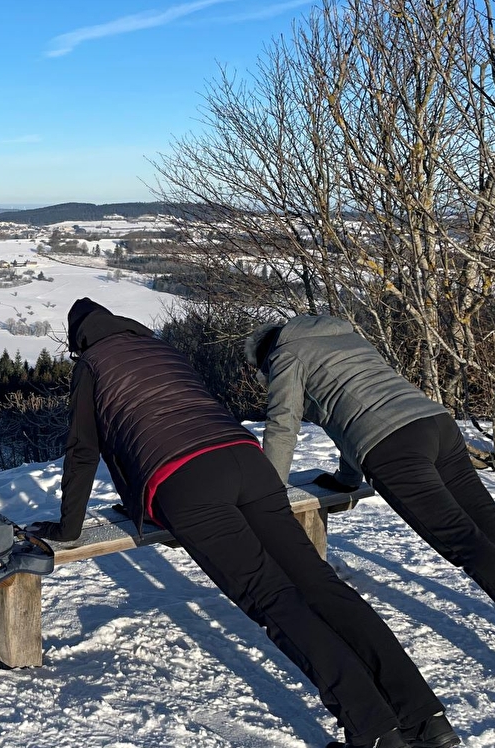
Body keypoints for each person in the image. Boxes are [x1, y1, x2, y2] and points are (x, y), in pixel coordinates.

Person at [27, 298, 462, 748]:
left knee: (276, 602)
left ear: (80, 339)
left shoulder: (93, 364)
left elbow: (84, 451)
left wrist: (68, 529)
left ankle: (372, 731)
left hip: (186, 481)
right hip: (245, 459)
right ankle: (427, 719)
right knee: (322, 586)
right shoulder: (163, 350)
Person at [246, 315, 495, 702]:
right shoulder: (345, 338)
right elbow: (352, 416)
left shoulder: (285, 354)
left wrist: (268, 492)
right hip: (434, 425)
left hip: (393, 451)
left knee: (466, 544)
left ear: (264, 357)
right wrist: (347, 479)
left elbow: (284, 422)